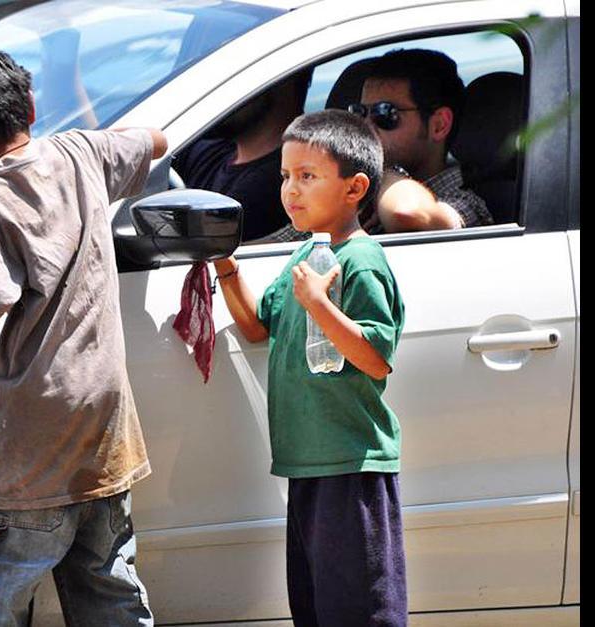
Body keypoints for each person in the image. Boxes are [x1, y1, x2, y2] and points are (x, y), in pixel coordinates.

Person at [0, 41, 167, 626]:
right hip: (105, 429)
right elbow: (155, 141)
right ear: (30, 108)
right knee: (109, 586)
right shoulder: (82, 152)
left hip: (32, 444)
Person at [213, 109, 407, 625]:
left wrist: (322, 304)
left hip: (351, 462)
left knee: (360, 607)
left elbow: (375, 357)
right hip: (308, 464)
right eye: (285, 176)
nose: (290, 191)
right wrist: (225, 266)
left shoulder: (362, 261)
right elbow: (260, 325)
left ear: (355, 187)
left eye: (307, 176)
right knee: (316, 606)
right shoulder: (306, 254)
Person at [273, 48, 492, 243]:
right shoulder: (354, 195)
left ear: (439, 125)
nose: (366, 125)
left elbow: (406, 212)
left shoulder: (465, 200)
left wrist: (384, 172)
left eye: (385, 113)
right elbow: (271, 246)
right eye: (359, 113)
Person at [173, 70, 312, 242]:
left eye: (230, 82)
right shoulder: (209, 151)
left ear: (282, 82)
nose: (215, 93)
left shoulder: (269, 189)